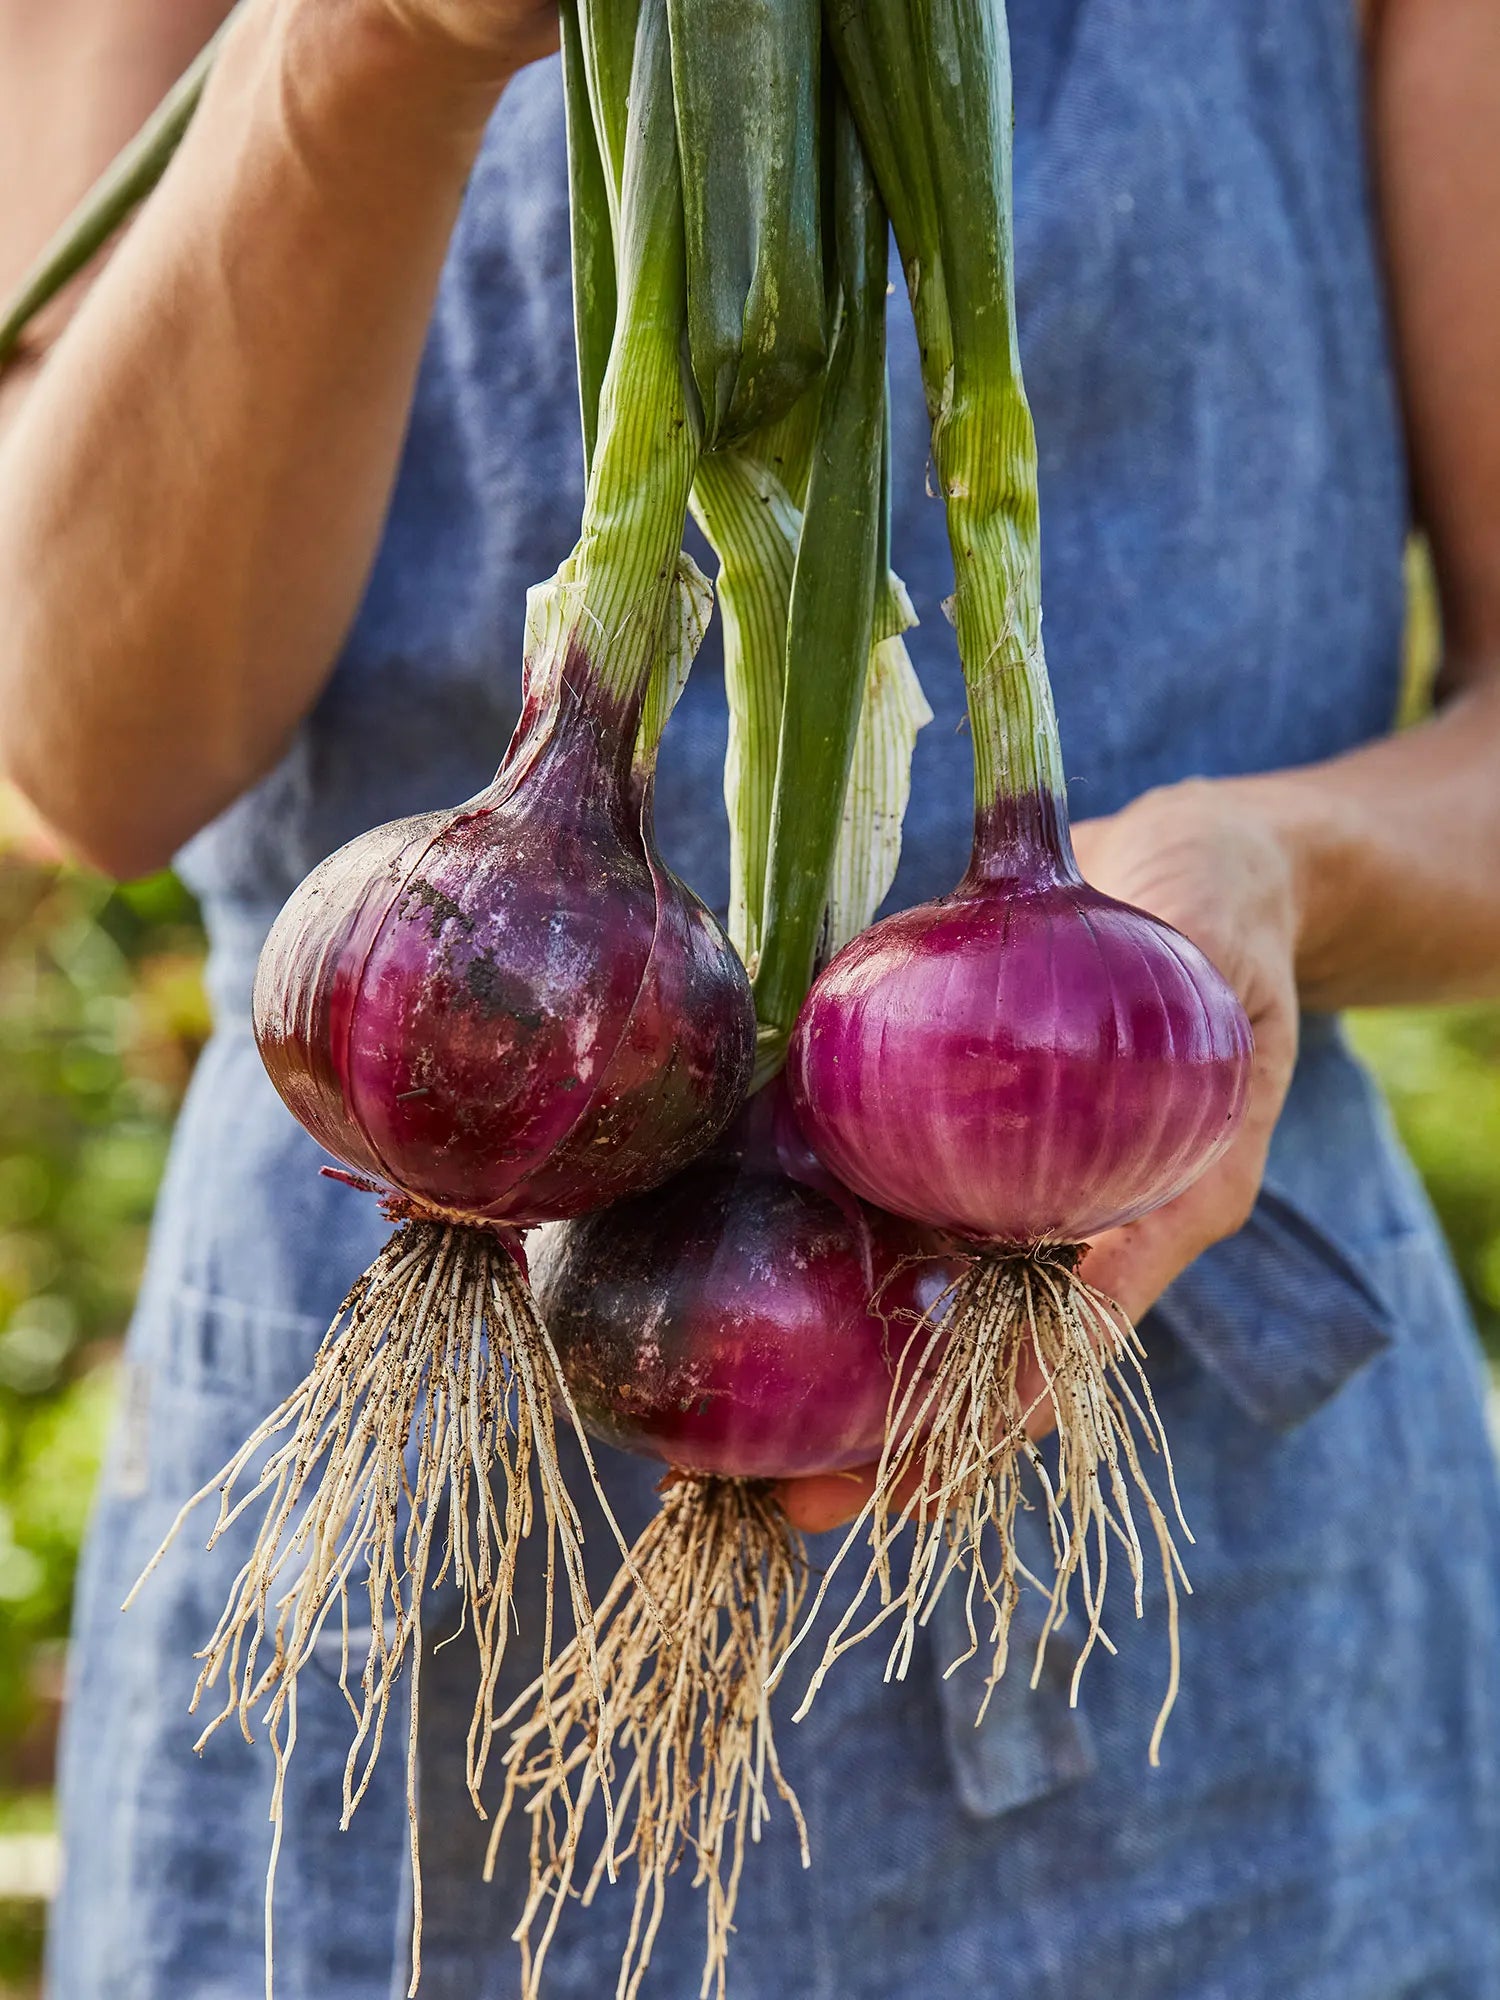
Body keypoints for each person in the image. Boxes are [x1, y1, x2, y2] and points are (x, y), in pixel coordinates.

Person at [3, 0, 1499, 1993]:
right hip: (397, 1496)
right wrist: (371, 40)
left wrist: (1276, 884)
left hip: (1196, 1539)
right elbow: (82, 749)